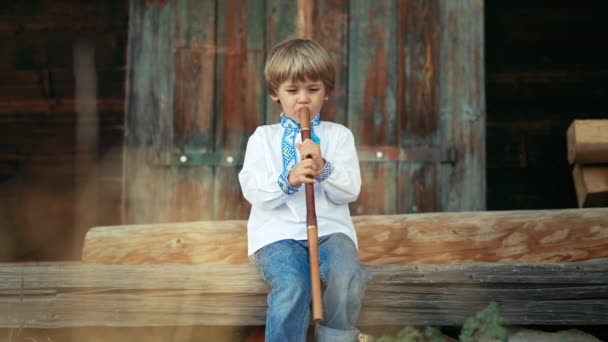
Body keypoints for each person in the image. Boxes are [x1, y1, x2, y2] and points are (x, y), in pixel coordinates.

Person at [238, 38, 371, 342]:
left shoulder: (338, 136)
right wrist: (289, 179)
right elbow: (253, 190)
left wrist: (324, 168)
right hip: (276, 236)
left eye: (313, 90)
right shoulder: (262, 138)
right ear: (275, 93)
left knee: (346, 272)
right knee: (293, 283)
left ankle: (337, 337)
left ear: (327, 93)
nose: (303, 100)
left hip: (331, 231)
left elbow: (350, 190)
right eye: (292, 90)